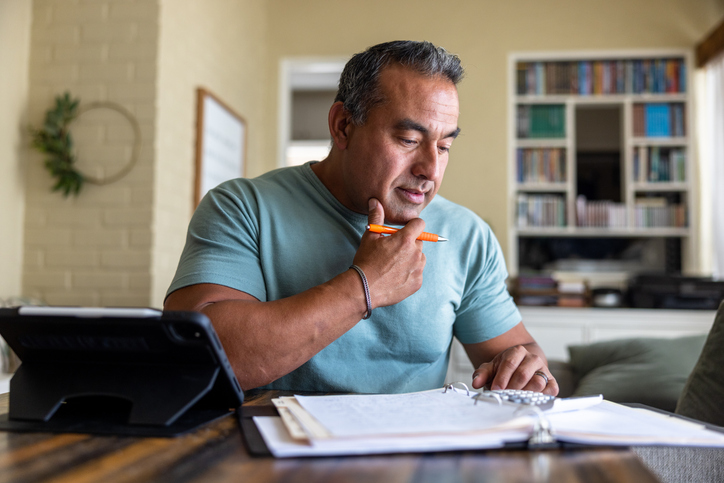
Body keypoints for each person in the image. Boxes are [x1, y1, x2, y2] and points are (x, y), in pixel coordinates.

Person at [164, 40, 558, 396]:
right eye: (408, 141)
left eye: (444, 145)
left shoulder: (468, 235)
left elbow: (514, 351)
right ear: (343, 126)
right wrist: (364, 287)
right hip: (269, 457)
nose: (430, 169)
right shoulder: (241, 207)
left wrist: (526, 369)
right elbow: (199, 360)